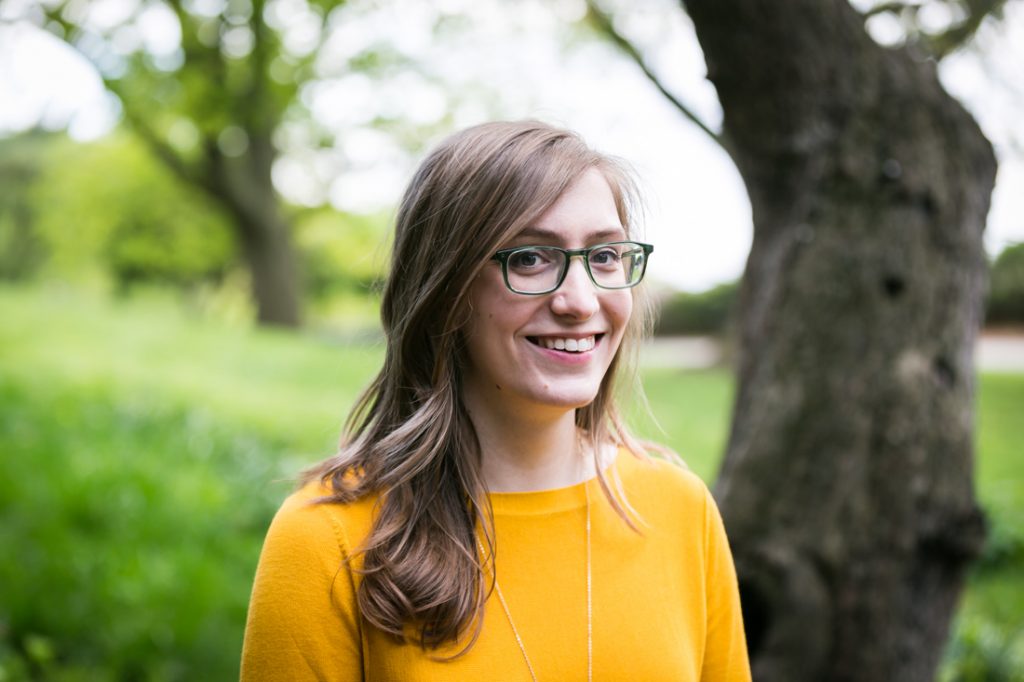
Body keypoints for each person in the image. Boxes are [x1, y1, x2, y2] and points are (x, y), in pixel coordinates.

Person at [240, 120, 751, 681]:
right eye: (531, 258)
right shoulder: (328, 541)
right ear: (446, 291)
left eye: (604, 256)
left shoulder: (680, 510)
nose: (580, 301)